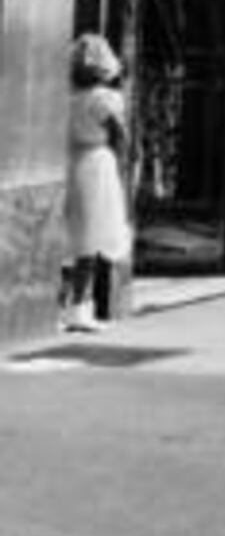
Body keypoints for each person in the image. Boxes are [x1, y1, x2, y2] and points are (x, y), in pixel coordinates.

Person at [59, 33, 130, 333]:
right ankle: (80, 308)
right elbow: (120, 135)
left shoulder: (67, 97)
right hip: (96, 164)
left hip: (69, 161)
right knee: (91, 238)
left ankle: (61, 307)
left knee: (70, 236)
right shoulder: (105, 99)